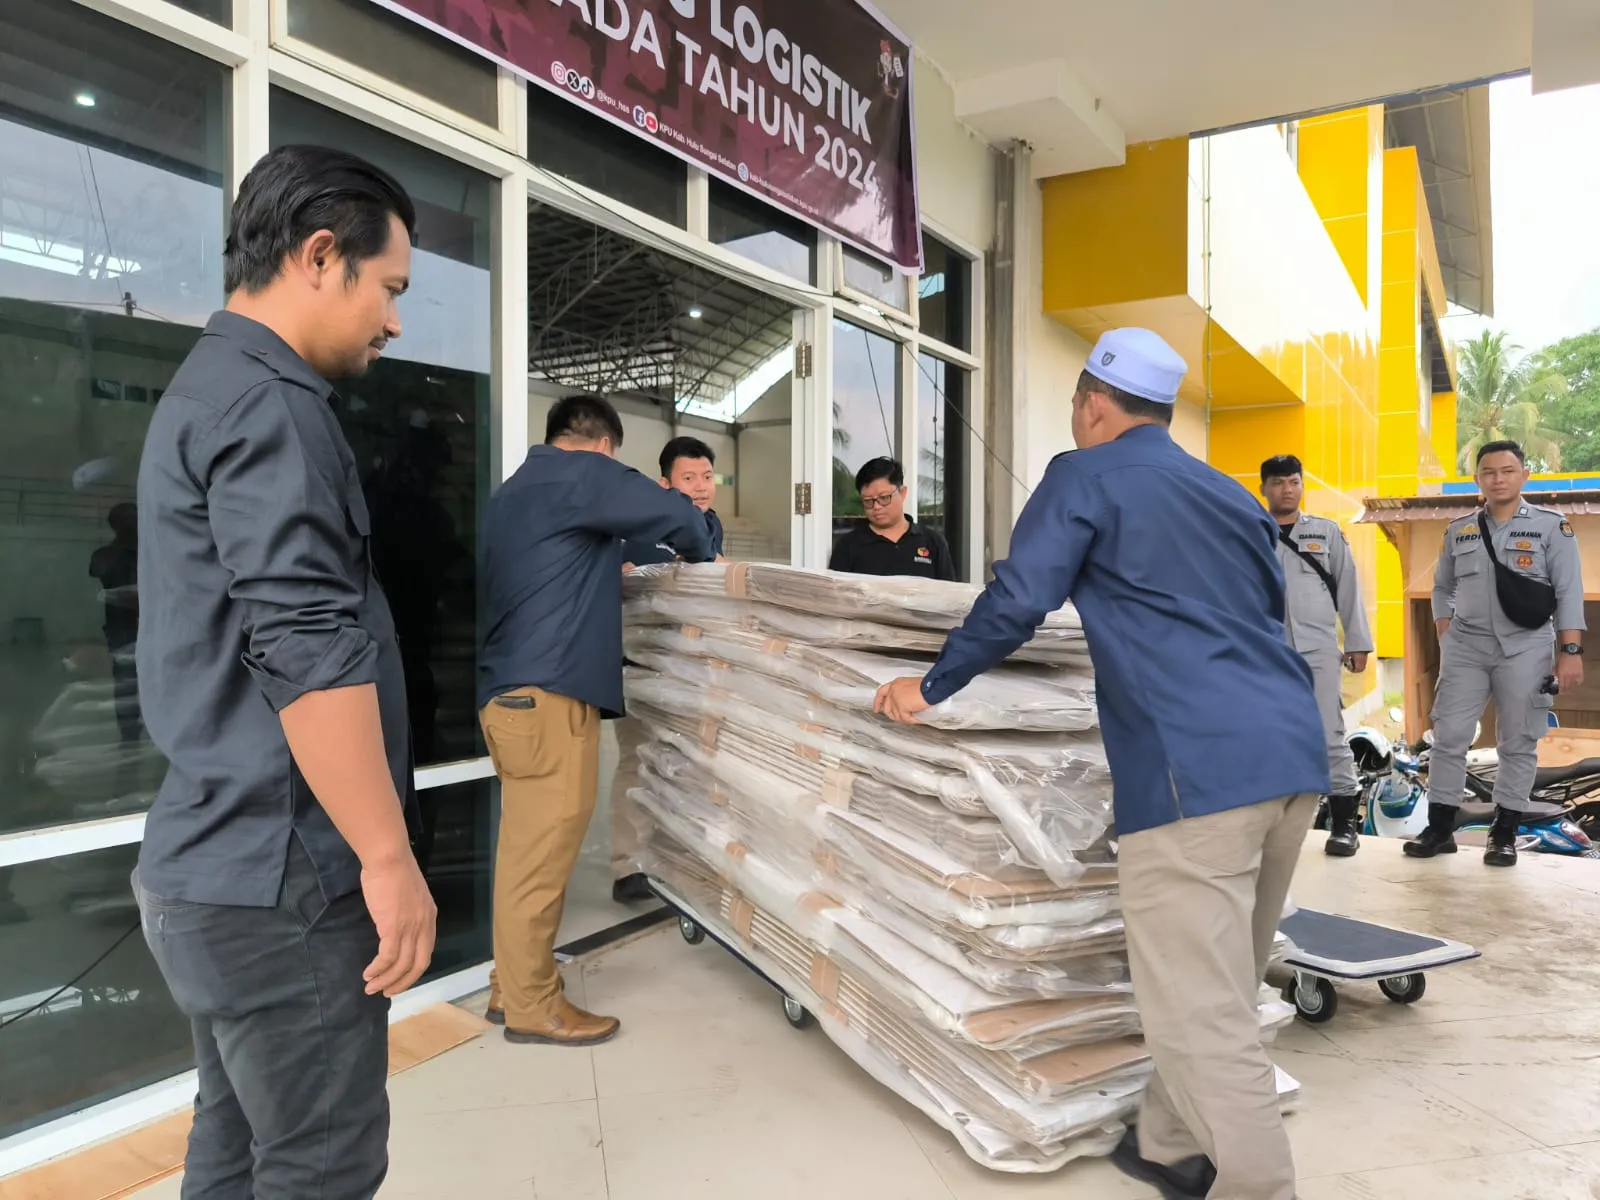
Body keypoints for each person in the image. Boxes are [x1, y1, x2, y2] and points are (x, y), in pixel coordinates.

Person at [875, 328, 1328, 1200]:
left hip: (1193, 771)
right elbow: (1261, 613)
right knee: (1221, 978)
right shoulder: (1232, 496)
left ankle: (1259, 1187)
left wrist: (930, 687)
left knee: (1198, 1010)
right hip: (1289, 754)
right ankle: (1166, 1142)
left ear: (1091, 403)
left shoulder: (1084, 475)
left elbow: (1019, 598)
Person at [133, 145, 434, 1199]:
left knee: (233, 1146)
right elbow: (305, 643)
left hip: (214, 867)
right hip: (284, 879)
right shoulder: (271, 403)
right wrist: (387, 860)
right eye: (389, 289)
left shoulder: (208, 388)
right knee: (320, 1167)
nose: (393, 323)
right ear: (319, 255)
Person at [479, 394, 714, 1046]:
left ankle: (509, 986)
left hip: (513, 697)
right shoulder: (579, 473)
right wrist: (704, 555)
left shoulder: (515, 492)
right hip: (549, 698)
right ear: (604, 447)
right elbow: (680, 516)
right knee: (541, 857)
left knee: (524, 853)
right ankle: (534, 1007)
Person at [1406, 440, 1585, 867]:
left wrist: (1571, 650)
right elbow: (1442, 587)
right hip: (1466, 648)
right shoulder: (1460, 530)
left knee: (1518, 740)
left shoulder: (1551, 527)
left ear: (1524, 475)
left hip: (1526, 646)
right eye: (1488, 472)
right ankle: (1440, 828)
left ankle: (1503, 834)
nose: (1498, 479)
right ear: (1477, 479)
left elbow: (1568, 591)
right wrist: (1446, 632)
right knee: (1448, 737)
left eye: (1507, 471)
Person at [613, 435, 726, 902]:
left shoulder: (711, 526)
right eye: (689, 478)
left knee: (686, 766)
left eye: (707, 476)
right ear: (664, 484)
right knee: (637, 762)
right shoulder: (638, 526)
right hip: (641, 667)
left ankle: (676, 863)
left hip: (691, 671)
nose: (701, 487)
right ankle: (628, 866)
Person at [1260, 454, 1375, 857]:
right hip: (1266, 652)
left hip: (1319, 650)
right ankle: (1273, 825)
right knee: (1269, 736)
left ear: (1302, 486)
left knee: (1328, 735)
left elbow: (1348, 587)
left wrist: (1357, 642)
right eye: (1278, 482)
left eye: (1293, 481)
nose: (1287, 489)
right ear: (1264, 489)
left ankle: (1344, 824)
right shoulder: (1250, 533)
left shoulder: (1325, 533)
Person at [828, 457, 957, 580]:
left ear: (902, 493)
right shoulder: (848, 545)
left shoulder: (932, 542)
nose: (876, 507)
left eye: (884, 498)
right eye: (868, 501)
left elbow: (948, 591)